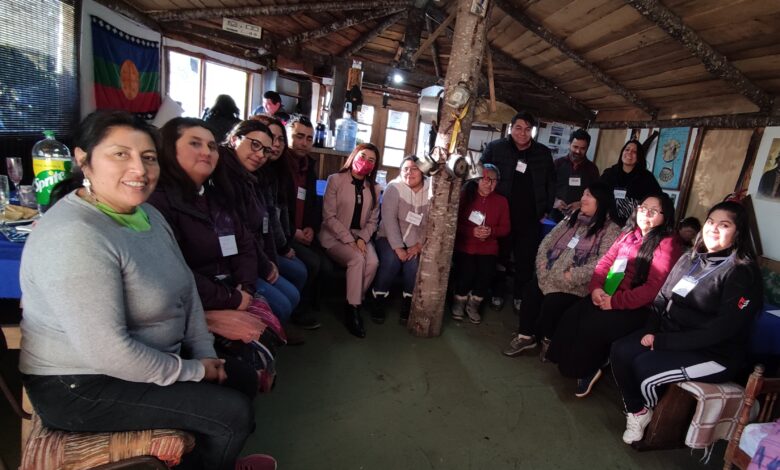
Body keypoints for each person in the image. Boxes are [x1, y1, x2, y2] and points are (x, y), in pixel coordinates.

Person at [19, 110, 274, 470]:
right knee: (232, 414)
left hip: (148, 357)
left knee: (241, 378)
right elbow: (109, 352)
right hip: (82, 384)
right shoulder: (75, 234)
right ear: (84, 159)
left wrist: (206, 354)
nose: (139, 169)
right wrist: (196, 370)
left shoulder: (147, 215)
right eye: (120, 154)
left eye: (148, 157)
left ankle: (216, 459)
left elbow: (186, 289)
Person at [610, 201, 762, 444]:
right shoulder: (690, 259)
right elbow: (661, 299)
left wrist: (663, 342)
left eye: (724, 225)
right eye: (711, 222)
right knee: (620, 350)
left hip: (714, 354)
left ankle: (656, 418)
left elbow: (721, 330)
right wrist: (651, 331)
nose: (713, 229)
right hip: (672, 336)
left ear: (738, 233)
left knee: (645, 368)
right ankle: (638, 411)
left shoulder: (742, 272)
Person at [547, 193, 683, 398]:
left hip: (638, 307)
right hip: (608, 294)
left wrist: (615, 302)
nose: (645, 213)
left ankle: (587, 368)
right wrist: (596, 289)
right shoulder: (629, 233)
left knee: (594, 325)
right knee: (573, 314)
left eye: (654, 211)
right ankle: (565, 360)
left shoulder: (667, 244)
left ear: (666, 217)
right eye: (643, 208)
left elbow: (652, 289)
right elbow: (605, 263)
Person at [503, 182, 621, 359]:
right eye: (583, 194)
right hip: (549, 275)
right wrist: (542, 265)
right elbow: (547, 241)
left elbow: (602, 263)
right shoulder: (573, 217)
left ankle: (549, 341)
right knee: (531, 291)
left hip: (575, 284)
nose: (583, 198)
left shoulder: (611, 229)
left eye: (588, 195)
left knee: (553, 303)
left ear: (601, 200)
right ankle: (526, 337)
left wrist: (571, 276)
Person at [220, 119, 303, 327]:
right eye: (255, 145)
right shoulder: (223, 176)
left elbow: (267, 221)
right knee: (284, 302)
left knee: (294, 290)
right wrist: (266, 264)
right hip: (232, 266)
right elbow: (238, 236)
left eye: (265, 150)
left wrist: (271, 258)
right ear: (234, 139)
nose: (260, 155)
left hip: (255, 255)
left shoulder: (252, 177)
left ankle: (276, 331)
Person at [480, 111, 555, 315]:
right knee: (500, 256)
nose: (522, 133)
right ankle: (497, 292)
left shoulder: (543, 153)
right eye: (518, 128)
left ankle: (520, 296)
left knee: (525, 259)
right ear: (511, 128)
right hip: (501, 214)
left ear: (533, 131)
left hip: (530, 216)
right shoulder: (496, 148)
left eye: (527, 129)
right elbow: (481, 172)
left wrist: (546, 209)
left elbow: (551, 182)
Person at [251, 114, 315, 328]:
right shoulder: (253, 174)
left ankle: (287, 322)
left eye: (280, 140)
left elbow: (281, 209)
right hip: (256, 252)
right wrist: (287, 241)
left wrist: (309, 228)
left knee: (305, 268)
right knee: (305, 268)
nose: (276, 145)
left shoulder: (275, 172)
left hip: (275, 241)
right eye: (298, 136)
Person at [319, 144, 381, 338]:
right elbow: (328, 217)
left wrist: (362, 238)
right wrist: (349, 240)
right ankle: (353, 310)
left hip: (360, 236)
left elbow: (373, 220)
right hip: (334, 236)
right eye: (362, 156)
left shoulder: (375, 188)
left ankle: (353, 300)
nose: (365, 162)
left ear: (375, 165)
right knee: (357, 259)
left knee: (373, 262)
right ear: (354, 156)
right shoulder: (335, 180)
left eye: (371, 160)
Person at [371, 156, 431, 325]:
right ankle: (378, 299)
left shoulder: (431, 190)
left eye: (414, 169)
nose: (409, 172)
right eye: (405, 169)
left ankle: (408, 304)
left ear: (422, 172)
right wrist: (398, 248)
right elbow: (389, 220)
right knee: (391, 260)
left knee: (413, 263)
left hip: (415, 241)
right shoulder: (393, 188)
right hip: (388, 237)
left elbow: (430, 222)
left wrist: (419, 245)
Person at [451, 164, 511, 324]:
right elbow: (454, 223)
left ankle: (473, 304)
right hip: (466, 245)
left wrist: (491, 231)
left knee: (486, 273)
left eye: (493, 180)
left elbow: (506, 228)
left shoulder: (502, 201)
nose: (489, 183)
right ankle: (459, 302)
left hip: (488, 248)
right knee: (467, 272)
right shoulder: (465, 196)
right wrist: (471, 231)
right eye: (485, 179)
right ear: (477, 180)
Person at [286, 116, 333, 316]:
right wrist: (293, 232)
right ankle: (298, 310)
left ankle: (310, 305)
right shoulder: (279, 166)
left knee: (327, 267)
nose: (304, 143)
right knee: (312, 263)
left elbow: (313, 205)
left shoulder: (309, 167)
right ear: (288, 135)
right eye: (299, 136)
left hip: (304, 232)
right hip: (285, 233)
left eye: (308, 138)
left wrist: (311, 228)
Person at [599, 139, 662, 226]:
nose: (629, 153)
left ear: (639, 157)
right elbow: (596, 192)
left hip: (633, 224)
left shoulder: (647, 178)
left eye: (634, 152)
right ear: (622, 152)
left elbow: (658, 199)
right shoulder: (609, 173)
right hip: (606, 222)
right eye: (627, 149)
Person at [550, 129, 600, 223]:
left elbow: (597, 195)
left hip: (579, 218)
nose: (578, 151)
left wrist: (581, 203)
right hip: (555, 215)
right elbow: (547, 187)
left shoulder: (592, 169)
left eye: (582, 148)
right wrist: (555, 201)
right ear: (569, 144)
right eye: (575, 146)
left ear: (587, 148)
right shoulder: (557, 164)